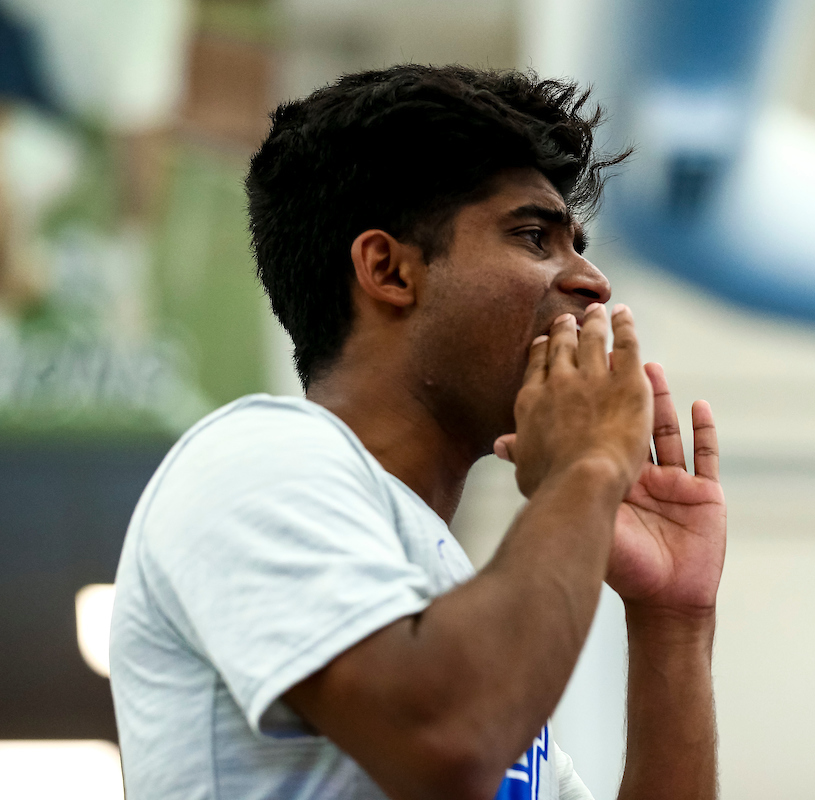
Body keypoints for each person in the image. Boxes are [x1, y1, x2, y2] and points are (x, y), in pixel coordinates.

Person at [108, 64, 727, 800]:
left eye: (578, 245)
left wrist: (673, 621)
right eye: (535, 236)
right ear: (388, 270)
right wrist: (585, 470)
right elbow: (447, 744)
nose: (591, 281)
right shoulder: (256, 460)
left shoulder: (455, 601)